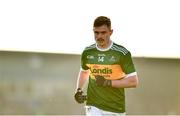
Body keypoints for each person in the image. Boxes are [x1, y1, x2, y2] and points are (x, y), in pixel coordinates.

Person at [74, 16, 139, 116]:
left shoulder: (122, 53)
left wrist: (107, 82)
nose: (99, 36)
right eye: (96, 33)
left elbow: (133, 81)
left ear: (110, 32)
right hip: (93, 106)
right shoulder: (87, 52)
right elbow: (84, 71)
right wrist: (78, 89)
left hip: (115, 108)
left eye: (103, 33)